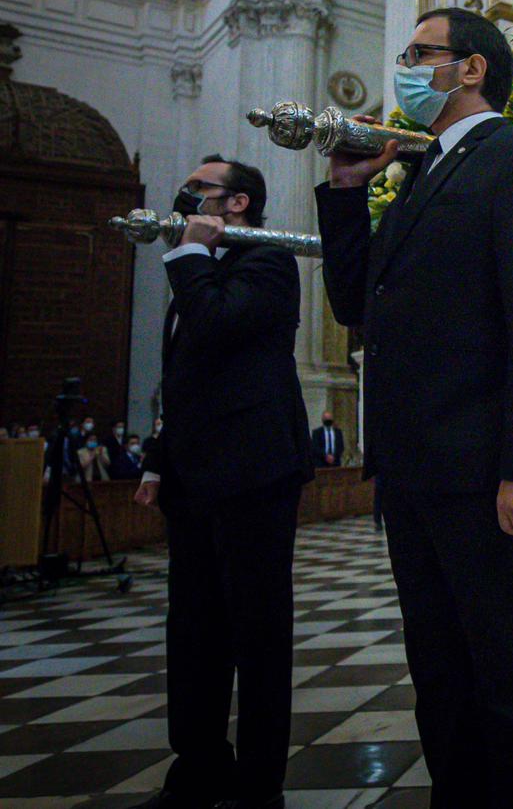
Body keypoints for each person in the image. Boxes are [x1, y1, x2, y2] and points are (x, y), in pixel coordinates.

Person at [317, 6, 513, 808]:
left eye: (418, 53)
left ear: (470, 68)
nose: (404, 67)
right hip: (414, 473)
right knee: (438, 672)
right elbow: (354, 300)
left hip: (485, 474)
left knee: (503, 673)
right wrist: (344, 192)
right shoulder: (423, 176)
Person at [131, 155, 313, 809]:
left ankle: (259, 785)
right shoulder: (196, 266)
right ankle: (199, 765)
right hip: (192, 472)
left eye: (200, 187)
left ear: (237, 203)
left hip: (254, 470)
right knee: (194, 629)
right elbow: (183, 372)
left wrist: (187, 259)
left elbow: (214, 324)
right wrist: (156, 456)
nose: (185, 194)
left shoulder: (264, 261)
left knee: (257, 633)